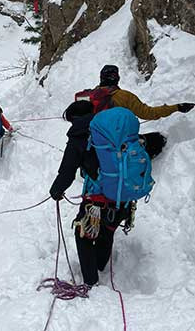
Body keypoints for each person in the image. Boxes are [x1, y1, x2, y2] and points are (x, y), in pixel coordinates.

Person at [49, 100, 152, 287]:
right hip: (122, 198)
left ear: (74, 119)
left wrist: (56, 190)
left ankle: (90, 281)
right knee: (107, 231)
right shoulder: (116, 132)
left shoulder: (79, 136)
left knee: (84, 236)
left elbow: (67, 172)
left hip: (96, 201)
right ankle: (100, 266)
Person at [75, 65, 195, 157]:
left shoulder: (87, 97)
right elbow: (148, 113)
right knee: (159, 138)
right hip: (117, 146)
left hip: (92, 147)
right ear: (117, 78)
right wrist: (176, 107)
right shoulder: (124, 96)